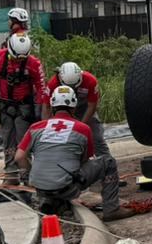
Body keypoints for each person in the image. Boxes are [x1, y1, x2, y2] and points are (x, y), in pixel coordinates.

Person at [14, 86, 131, 220]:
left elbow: (19, 157)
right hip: (68, 189)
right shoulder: (83, 129)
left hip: (40, 188)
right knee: (108, 162)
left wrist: (30, 175)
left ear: (52, 106)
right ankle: (112, 209)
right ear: (74, 107)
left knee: (56, 177)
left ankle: (51, 199)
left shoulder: (36, 127)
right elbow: (84, 160)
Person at [44, 61, 121, 215]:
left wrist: (81, 125)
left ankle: (107, 174)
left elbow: (92, 105)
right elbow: (46, 107)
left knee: (97, 138)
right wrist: (49, 126)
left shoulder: (90, 81)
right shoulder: (52, 84)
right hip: (62, 109)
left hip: (85, 109)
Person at [0, 32, 49, 186]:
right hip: (5, 106)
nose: (19, 61)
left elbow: (41, 86)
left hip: (24, 108)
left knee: (22, 141)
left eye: (22, 59)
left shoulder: (34, 63)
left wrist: (39, 106)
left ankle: (26, 174)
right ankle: (11, 173)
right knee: (7, 139)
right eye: (16, 58)